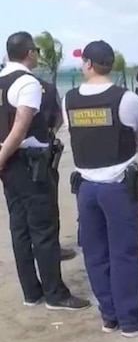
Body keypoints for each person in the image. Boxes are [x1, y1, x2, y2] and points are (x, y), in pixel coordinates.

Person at [65, 40, 138, 336]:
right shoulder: (127, 99)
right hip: (118, 185)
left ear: (90, 65)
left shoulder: (69, 98)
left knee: (95, 253)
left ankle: (110, 315)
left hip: (86, 187)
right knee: (125, 253)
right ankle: (130, 318)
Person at [0, 32, 90, 311]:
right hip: (27, 160)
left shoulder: (2, 81)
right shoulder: (27, 82)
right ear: (30, 53)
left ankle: (31, 291)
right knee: (43, 229)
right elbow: (21, 127)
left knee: (20, 228)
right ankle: (55, 293)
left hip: (9, 163)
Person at [37, 78, 77, 262]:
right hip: (44, 152)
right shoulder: (46, 87)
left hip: (10, 152)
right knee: (49, 202)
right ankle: (52, 247)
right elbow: (59, 117)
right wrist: (50, 135)